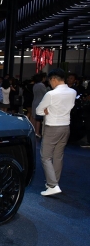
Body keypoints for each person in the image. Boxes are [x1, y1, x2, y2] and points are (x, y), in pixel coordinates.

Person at [36, 68, 76, 196]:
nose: (50, 84)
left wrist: (47, 110)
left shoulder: (51, 94)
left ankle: (52, 185)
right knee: (58, 156)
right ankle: (53, 183)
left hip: (52, 127)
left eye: (50, 81)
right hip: (66, 126)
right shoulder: (73, 92)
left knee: (45, 156)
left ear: (53, 79)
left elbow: (38, 111)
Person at [32, 73, 48, 137]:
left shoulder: (35, 85)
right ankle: (37, 132)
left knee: (34, 117)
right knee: (38, 119)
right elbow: (45, 93)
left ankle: (34, 131)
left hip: (34, 101)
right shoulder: (41, 85)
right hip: (40, 102)